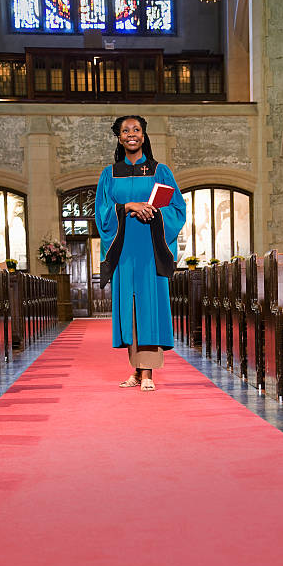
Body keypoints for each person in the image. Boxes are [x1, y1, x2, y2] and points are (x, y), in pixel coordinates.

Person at [95, 115, 186, 391]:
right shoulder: (109, 175)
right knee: (131, 309)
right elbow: (102, 214)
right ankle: (136, 370)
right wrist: (129, 206)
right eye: (125, 130)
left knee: (147, 307)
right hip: (124, 251)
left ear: (143, 137)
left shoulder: (160, 171)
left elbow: (177, 209)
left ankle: (147, 373)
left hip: (150, 250)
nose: (131, 134)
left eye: (136, 130)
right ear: (119, 137)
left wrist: (153, 212)